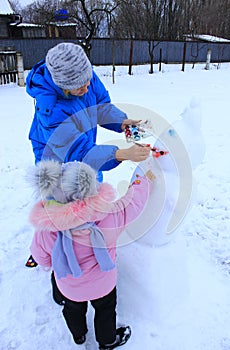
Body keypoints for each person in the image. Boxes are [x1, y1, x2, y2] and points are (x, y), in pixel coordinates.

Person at [25, 42, 150, 268]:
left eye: (88, 80)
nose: (87, 87)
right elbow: (81, 156)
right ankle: (43, 250)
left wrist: (121, 122)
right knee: (59, 203)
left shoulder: (85, 77)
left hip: (83, 146)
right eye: (80, 87)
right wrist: (121, 154)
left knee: (91, 190)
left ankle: (87, 240)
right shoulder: (52, 112)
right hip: (56, 158)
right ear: (62, 86)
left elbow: (101, 106)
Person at [28, 159, 155, 349]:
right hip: (103, 284)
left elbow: (40, 257)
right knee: (105, 311)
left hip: (69, 286)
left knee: (72, 310)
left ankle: (78, 335)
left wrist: (53, 265)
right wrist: (142, 182)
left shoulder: (47, 229)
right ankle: (107, 341)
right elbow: (133, 203)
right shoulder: (108, 216)